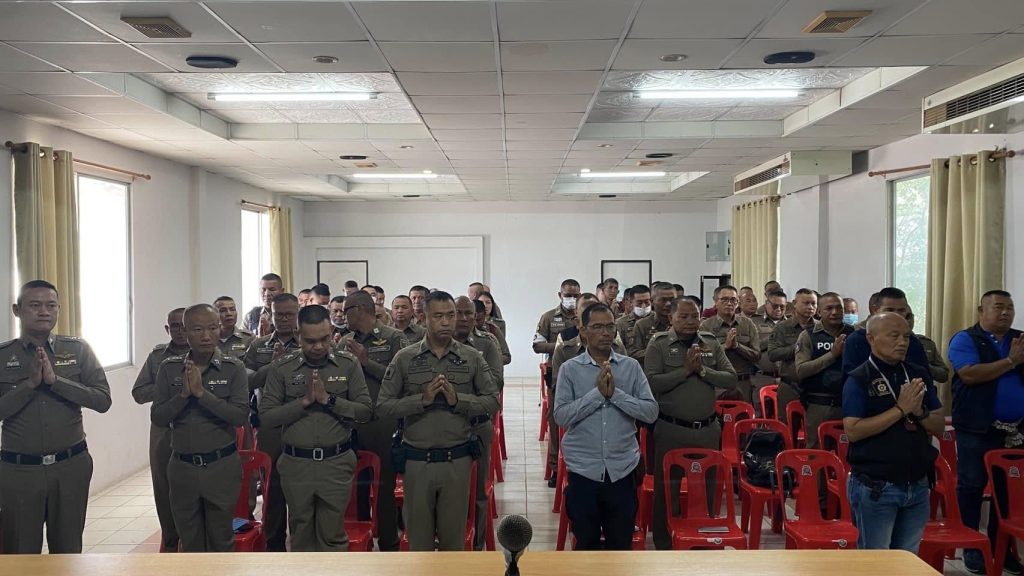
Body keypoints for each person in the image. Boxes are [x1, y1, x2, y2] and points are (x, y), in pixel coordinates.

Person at [377, 291, 499, 551]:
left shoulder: (471, 357)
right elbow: (384, 406)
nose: (446, 322)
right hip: (417, 462)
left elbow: (492, 401)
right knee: (419, 545)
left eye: (450, 315)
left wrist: (459, 401)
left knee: (453, 545)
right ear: (424, 318)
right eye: (438, 316)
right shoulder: (405, 358)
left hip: (457, 461)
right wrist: (420, 400)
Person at [0, 280, 112, 554]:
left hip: (70, 467)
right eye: (35, 305)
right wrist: (29, 385)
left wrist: (55, 382)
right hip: (19, 472)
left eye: (51, 305)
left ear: (59, 309)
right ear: (17, 310)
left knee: (68, 552)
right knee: (20, 553)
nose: (44, 312)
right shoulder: (3, 355)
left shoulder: (78, 350)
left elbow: (102, 400)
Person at [260, 304, 372, 551]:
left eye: (324, 339)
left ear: (332, 331)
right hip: (296, 464)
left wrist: (329, 401)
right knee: (300, 534)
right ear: (298, 335)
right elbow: (266, 416)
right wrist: (304, 402)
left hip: (336, 462)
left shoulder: (347, 364)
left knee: (332, 536)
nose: (319, 346)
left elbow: (365, 410)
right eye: (310, 341)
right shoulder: (282, 367)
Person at [554, 303, 658, 550]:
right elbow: (561, 416)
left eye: (610, 327)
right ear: (583, 331)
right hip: (584, 470)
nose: (605, 333)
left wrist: (615, 395)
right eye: (597, 327)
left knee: (620, 546)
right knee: (586, 544)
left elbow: (650, 411)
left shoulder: (631, 367)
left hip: (622, 469)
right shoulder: (570, 369)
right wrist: (597, 395)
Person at [843, 313, 943, 553]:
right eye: (894, 336)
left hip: (917, 483)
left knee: (907, 558)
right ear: (871, 338)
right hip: (878, 485)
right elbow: (853, 431)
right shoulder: (859, 378)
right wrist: (900, 410)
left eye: (906, 336)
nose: (902, 342)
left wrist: (919, 412)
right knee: (876, 560)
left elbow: (939, 426)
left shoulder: (918, 374)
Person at [152, 304, 248, 552]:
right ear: (184, 332)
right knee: (190, 542)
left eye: (213, 328)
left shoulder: (233, 368)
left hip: (221, 466)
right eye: (198, 329)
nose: (206, 336)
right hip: (182, 467)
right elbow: (158, 417)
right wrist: (183, 395)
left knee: (222, 540)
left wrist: (202, 394)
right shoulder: (169, 368)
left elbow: (239, 416)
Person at [645, 297, 737, 550]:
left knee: (708, 489)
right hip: (671, 429)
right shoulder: (659, 344)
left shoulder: (710, 342)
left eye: (695, 316)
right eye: (683, 316)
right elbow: (651, 383)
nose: (690, 321)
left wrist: (703, 371)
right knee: (667, 491)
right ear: (671, 318)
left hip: (707, 430)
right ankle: (665, 545)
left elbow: (730, 378)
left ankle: (703, 541)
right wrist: (684, 371)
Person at [947, 290, 1024, 574]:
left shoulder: (1020, 339)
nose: (1005, 313)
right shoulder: (966, 339)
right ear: (981, 311)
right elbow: (969, 374)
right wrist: (1011, 361)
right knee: (972, 486)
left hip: (1015, 431)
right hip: (976, 428)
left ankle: (1002, 548)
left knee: (1009, 493)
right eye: (998, 307)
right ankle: (972, 547)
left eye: (1010, 308)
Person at [336, 291, 409, 552]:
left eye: (346, 310)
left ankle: (388, 542)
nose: (342, 316)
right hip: (351, 423)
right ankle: (361, 540)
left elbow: (402, 379)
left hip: (382, 423)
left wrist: (367, 362)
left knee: (384, 486)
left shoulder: (393, 338)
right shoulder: (344, 342)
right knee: (356, 487)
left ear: (360, 309)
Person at [243, 293, 302, 551]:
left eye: (290, 314)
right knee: (273, 489)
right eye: (279, 314)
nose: (284, 319)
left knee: (300, 488)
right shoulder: (258, 346)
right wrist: (273, 366)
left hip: (302, 423)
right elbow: (247, 381)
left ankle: (301, 543)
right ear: (271, 314)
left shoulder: (309, 342)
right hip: (270, 426)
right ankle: (274, 544)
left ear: (298, 314)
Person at [546, 294, 623, 488]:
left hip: (613, 414)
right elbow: (558, 386)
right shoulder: (565, 345)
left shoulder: (617, 348)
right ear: (579, 321)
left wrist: (611, 394)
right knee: (555, 412)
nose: (604, 332)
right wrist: (595, 394)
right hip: (577, 411)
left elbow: (625, 386)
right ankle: (556, 466)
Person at [132, 307, 190, 552]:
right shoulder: (157, 356)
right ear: (168, 329)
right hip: (164, 429)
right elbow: (139, 392)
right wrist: (169, 388)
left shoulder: (206, 353)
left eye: (184, 325)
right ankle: (170, 539)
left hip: (195, 428)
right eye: (174, 326)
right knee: (163, 486)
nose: (180, 331)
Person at [452, 296, 504, 550]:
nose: (463, 318)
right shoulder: (439, 345)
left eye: (468, 314)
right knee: (451, 488)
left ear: (476, 317)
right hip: (446, 426)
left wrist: (458, 395)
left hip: (477, 425)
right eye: (458, 313)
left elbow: (494, 384)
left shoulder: (487, 343)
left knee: (478, 490)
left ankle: (477, 544)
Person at [794, 292, 854, 448]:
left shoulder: (853, 334)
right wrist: (832, 355)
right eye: (829, 308)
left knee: (848, 452)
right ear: (819, 312)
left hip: (849, 404)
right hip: (819, 405)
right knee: (817, 452)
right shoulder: (808, 335)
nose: (835, 312)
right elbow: (801, 370)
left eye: (839, 308)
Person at [842, 288, 930, 383]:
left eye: (901, 310)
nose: (896, 315)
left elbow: (925, 378)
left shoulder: (912, 340)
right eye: (890, 310)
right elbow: (850, 380)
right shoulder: (857, 340)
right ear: (875, 310)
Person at [699, 285, 760, 404]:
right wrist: (724, 347)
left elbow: (757, 355)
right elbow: (704, 357)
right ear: (715, 301)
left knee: (744, 414)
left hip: (743, 382)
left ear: (737, 303)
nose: (729, 303)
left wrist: (737, 346)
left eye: (733, 300)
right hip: (718, 382)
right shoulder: (706, 326)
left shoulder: (747, 324)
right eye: (724, 299)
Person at [768, 288, 817, 423]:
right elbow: (773, 354)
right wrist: (798, 347)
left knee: (813, 426)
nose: (810, 307)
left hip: (815, 387)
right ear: (794, 303)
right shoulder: (782, 327)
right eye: (806, 303)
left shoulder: (820, 328)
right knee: (787, 426)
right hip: (790, 386)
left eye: (813, 303)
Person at [752, 289, 788, 414]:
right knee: (761, 416)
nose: (778, 309)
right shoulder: (753, 322)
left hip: (786, 380)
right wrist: (773, 336)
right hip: (762, 378)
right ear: (766, 304)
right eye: (775, 306)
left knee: (784, 416)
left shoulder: (791, 324)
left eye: (782, 306)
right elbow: (751, 348)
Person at [629, 283, 676, 365]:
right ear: (652, 301)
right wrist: (658, 350)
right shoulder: (642, 325)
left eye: (672, 300)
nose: (668, 304)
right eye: (663, 300)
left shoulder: (684, 323)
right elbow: (634, 354)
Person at [534, 279, 581, 358]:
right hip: (556, 362)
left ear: (579, 296)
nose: (572, 299)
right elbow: (537, 346)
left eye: (575, 296)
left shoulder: (585, 316)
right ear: (560, 295)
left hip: (581, 362)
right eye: (568, 296)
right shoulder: (548, 317)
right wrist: (563, 346)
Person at [907, 308, 950, 385]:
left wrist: (926, 366)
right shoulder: (885, 344)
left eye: (908, 316)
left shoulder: (926, 343)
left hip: (924, 388)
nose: (906, 320)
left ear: (913, 318)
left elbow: (944, 375)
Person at [214, 296, 253, 360]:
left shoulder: (248, 339)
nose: (229, 313)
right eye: (223, 310)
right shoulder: (209, 339)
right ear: (214, 315)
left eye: (232, 309)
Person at [616, 284, 651, 354]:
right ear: (631, 302)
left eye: (647, 302)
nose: (643, 306)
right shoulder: (621, 323)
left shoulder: (657, 319)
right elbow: (619, 350)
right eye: (639, 303)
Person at [474, 300, 511, 366]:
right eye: (473, 319)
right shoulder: (461, 331)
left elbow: (507, 356)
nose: (475, 323)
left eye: (479, 320)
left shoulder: (492, 329)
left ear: (484, 316)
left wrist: (491, 359)